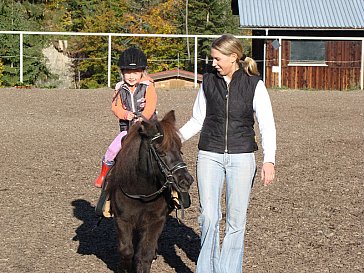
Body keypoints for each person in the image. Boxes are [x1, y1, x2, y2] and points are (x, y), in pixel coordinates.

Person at [178, 34, 276, 273]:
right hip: (209, 154)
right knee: (209, 216)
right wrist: (173, 140)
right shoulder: (208, 81)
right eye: (212, 59)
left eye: (217, 59)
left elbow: (267, 124)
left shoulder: (254, 84)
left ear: (233, 57)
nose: (213, 63)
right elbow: (197, 119)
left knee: (235, 221)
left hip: (242, 157)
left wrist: (269, 159)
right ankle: (207, 269)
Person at [94, 47, 157, 188]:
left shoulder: (148, 86)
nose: (131, 76)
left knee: (165, 149)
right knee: (112, 149)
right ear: (122, 73)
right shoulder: (119, 88)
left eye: (135, 72)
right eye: (127, 72)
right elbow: (115, 107)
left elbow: (151, 105)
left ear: (142, 72)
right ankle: (104, 175)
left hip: (148, 128)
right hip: (127, 129)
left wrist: (143, 117)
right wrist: (125, 114)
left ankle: (174, 187)